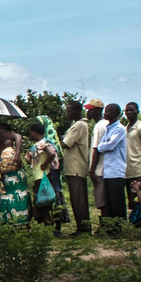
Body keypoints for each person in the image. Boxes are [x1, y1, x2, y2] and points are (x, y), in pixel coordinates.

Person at [60, 100, 91, 234]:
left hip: (76, 167)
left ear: (77, 111)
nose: (67, 113)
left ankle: (83, 228)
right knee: (77, 198)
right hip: (74, 167)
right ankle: (82, 226)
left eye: (69, 111)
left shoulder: (79, 125)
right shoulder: (76, 124)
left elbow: (66, 143)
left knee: (78, 198)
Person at [95, 103, 128, 228]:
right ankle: (112, 227)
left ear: (115, 113)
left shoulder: (119, 129)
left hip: (116, 170)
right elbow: (101, 146)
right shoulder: (108, 128)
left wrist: (103, 145)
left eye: (108, 111)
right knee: (109, 201)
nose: (105, 113)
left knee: (117, 201)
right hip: (108, 171)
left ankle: (120, 226)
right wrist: (103, 145)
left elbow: (108, 145)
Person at [26, 122, 62, 231]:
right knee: (45, 202)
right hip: (41, 177)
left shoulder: (42, 143)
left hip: (42, 177)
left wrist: (45, 164)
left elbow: (50, 153)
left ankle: (48, 228)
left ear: (35, 133)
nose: (30, 135)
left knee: (43, 202)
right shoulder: (41, 144)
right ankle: (50, 227)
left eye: (31, 133)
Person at [0, 123, 30, 226]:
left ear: (3, 130)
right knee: (6, 196)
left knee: (16, 195)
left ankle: (20, 220)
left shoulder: (8, 135)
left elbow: (18, 136)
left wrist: (17, 155)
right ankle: (7, 220)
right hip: (4, 173)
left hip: (14, 171)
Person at [86, 98, 107, 224]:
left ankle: (105, 224)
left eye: (90, 110)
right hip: (103, 167)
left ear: (98, 111)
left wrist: (92, 170)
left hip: (100, 168)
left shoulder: (99, 126)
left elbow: (96, 149)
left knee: (102, 197)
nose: (88, 113)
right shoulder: (103, 125)